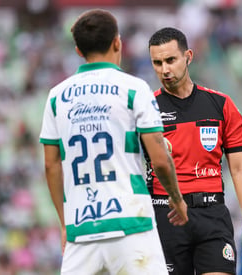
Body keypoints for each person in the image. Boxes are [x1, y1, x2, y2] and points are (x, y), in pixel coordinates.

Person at [39, 10, 188, 275]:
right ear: (117, 43)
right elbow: (160, 160)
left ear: (77, 49)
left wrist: (65, 224)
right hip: (132, 225)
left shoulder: (56, 96)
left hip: (81, 232)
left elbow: (51, 166)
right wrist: (176, 199)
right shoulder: (134, 88)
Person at [146, 27, 242, 275]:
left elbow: (239, 168)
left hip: (212, 215)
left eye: (171, 60)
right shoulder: (146, 109)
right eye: (157, 62)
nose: (164, 69)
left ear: (188, 56)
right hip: (166, 215)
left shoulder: (221, 105)